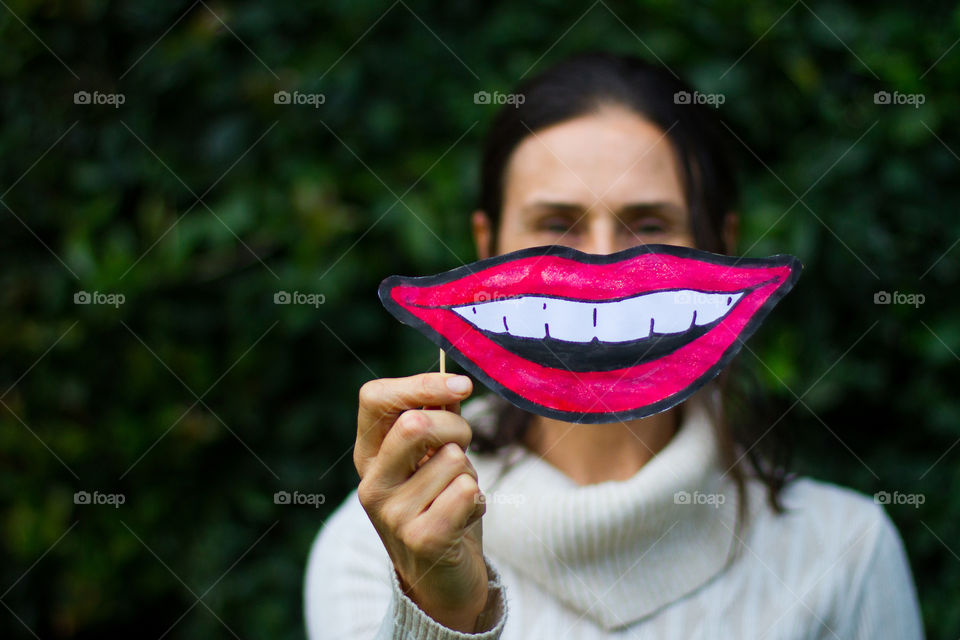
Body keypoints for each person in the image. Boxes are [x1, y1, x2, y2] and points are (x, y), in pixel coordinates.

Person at [304, 52, 924, 639]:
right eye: (555, 225)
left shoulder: (846, 550)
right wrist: (439, 612)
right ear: (486, 245)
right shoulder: (372, 549)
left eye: (649, 225)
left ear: (719, 243)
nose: (600, 267)